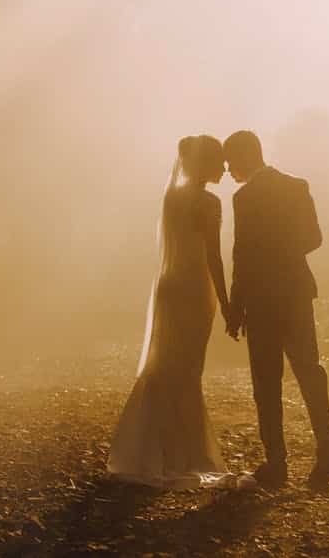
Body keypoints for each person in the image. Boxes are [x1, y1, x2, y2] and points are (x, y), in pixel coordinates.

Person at [106, 134, 237, 488]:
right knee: (187, 370)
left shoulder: (171, 198)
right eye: (219, 161)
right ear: (205, 164)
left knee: (163, 367)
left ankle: (150, 449)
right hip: (195, 289)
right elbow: (213, 256)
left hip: (169, 287)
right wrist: (226, 303)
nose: (225, 168)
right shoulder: (209, 203)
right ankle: (182, 453)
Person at [222, 128, 329, 490]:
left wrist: (235, 307)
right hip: (295, 293)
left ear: (244, 157)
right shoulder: (296, 186)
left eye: (230, 163)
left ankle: (277, 464)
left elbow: (241, 254)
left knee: (266, 382)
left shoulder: (244, 199)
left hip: (260, 300)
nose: (228, 172)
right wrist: (284, 252)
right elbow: (314, 238)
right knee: (310, 373)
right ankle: (327, 458)